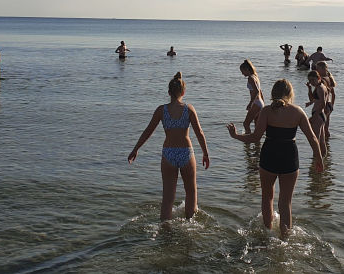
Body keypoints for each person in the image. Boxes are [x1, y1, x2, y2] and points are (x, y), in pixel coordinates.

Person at [227, 79, 324, 238]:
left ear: (273, 93)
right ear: (290, 93)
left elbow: (255, 137)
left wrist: (236, 136)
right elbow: (313, 138)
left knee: (267, 198)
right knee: (285, 203)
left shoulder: (266, 111)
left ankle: (267, 234)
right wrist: (319, 159)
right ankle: (285, 239)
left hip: (269, 156)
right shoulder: (298, 111)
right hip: (289, 158)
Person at [128, 72, 210, 221]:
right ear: (183, 92)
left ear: (168, 93)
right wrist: (206, 153)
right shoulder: (189, 109)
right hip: (186, 152)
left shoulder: (161, 110)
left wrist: (135, 149)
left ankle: (165, 229)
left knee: (168, 197)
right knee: (191, 192)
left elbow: (148, 131)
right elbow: (200, 133)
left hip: (168, 153)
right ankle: (190, 223)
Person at [305, 71, 328, 157]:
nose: (311, 82)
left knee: (316, 141)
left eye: (313, 80)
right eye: (310, 80)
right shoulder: (319, 87)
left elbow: (323, 104)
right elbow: (312, 99)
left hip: (318, 116)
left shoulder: (320, 88)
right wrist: (309, 88)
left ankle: (316, 161)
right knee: (321, 141)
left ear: (319, 78)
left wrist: (314, 117)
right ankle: (324, 160)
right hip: (320, 116)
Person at [239, 59, 264, 133]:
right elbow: (260, 91)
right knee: (257, 125)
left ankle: (247, 142)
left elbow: (256, 91)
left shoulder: (251, 78)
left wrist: (250, 103)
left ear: (246, 69)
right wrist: (263, 103)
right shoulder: (255, 76)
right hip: (260, 103)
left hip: (256, 103)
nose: (242, 74)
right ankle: (257, 143)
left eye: (242, 71)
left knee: (246, 124)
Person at [315, 61, 336, 139]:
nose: (316, 71)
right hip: (329, 105)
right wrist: (332, 105)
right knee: (326, 128)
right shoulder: (329, 78)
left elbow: (322, 96)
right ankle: (327, 146)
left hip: (324, 105)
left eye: (318, 69)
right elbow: (333, 94)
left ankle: (323, 147)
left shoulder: (322, 80)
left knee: (321, 129)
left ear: (323, 69)